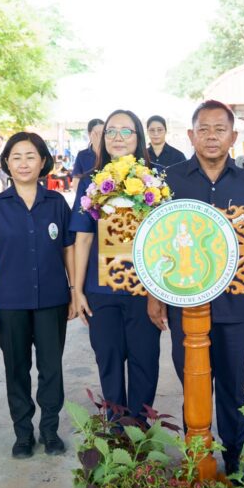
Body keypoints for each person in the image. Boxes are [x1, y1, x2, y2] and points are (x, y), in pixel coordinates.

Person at [146, 100, 244, 475]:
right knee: (193, 382)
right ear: (191, 135)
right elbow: (155, 239)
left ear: (233, 136)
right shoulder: (169, 179)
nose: (211, 137)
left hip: (237, 302)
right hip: (184, 302)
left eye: (219, 129)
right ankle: (197, 458)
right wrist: (154, 295)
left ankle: (234, 460)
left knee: (233, 385)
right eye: (203, 129)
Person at [0, 131, 75, 459]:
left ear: (43, 161)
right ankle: (23, 434)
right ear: (6, 163)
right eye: (16, 157)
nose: (23, 163)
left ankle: (50, 430)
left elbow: (68, 250)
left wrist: (74, 291)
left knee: (51, 368)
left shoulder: (56, 204)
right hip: (9, 302)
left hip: (52, 300)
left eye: (31, 156)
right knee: (16, 369)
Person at [70, 110, 161, 422]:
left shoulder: (155, 181)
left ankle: (140, 428)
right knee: (108, 359)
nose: (118, 138)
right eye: (111, 131)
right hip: (101, 287)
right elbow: (82, 238)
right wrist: (77, 290)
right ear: (102, 138)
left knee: (144, 360)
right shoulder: (91, 182)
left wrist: (162, 290)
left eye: (126, 131)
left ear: (138, 137)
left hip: (144, 287)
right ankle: (117, 428)